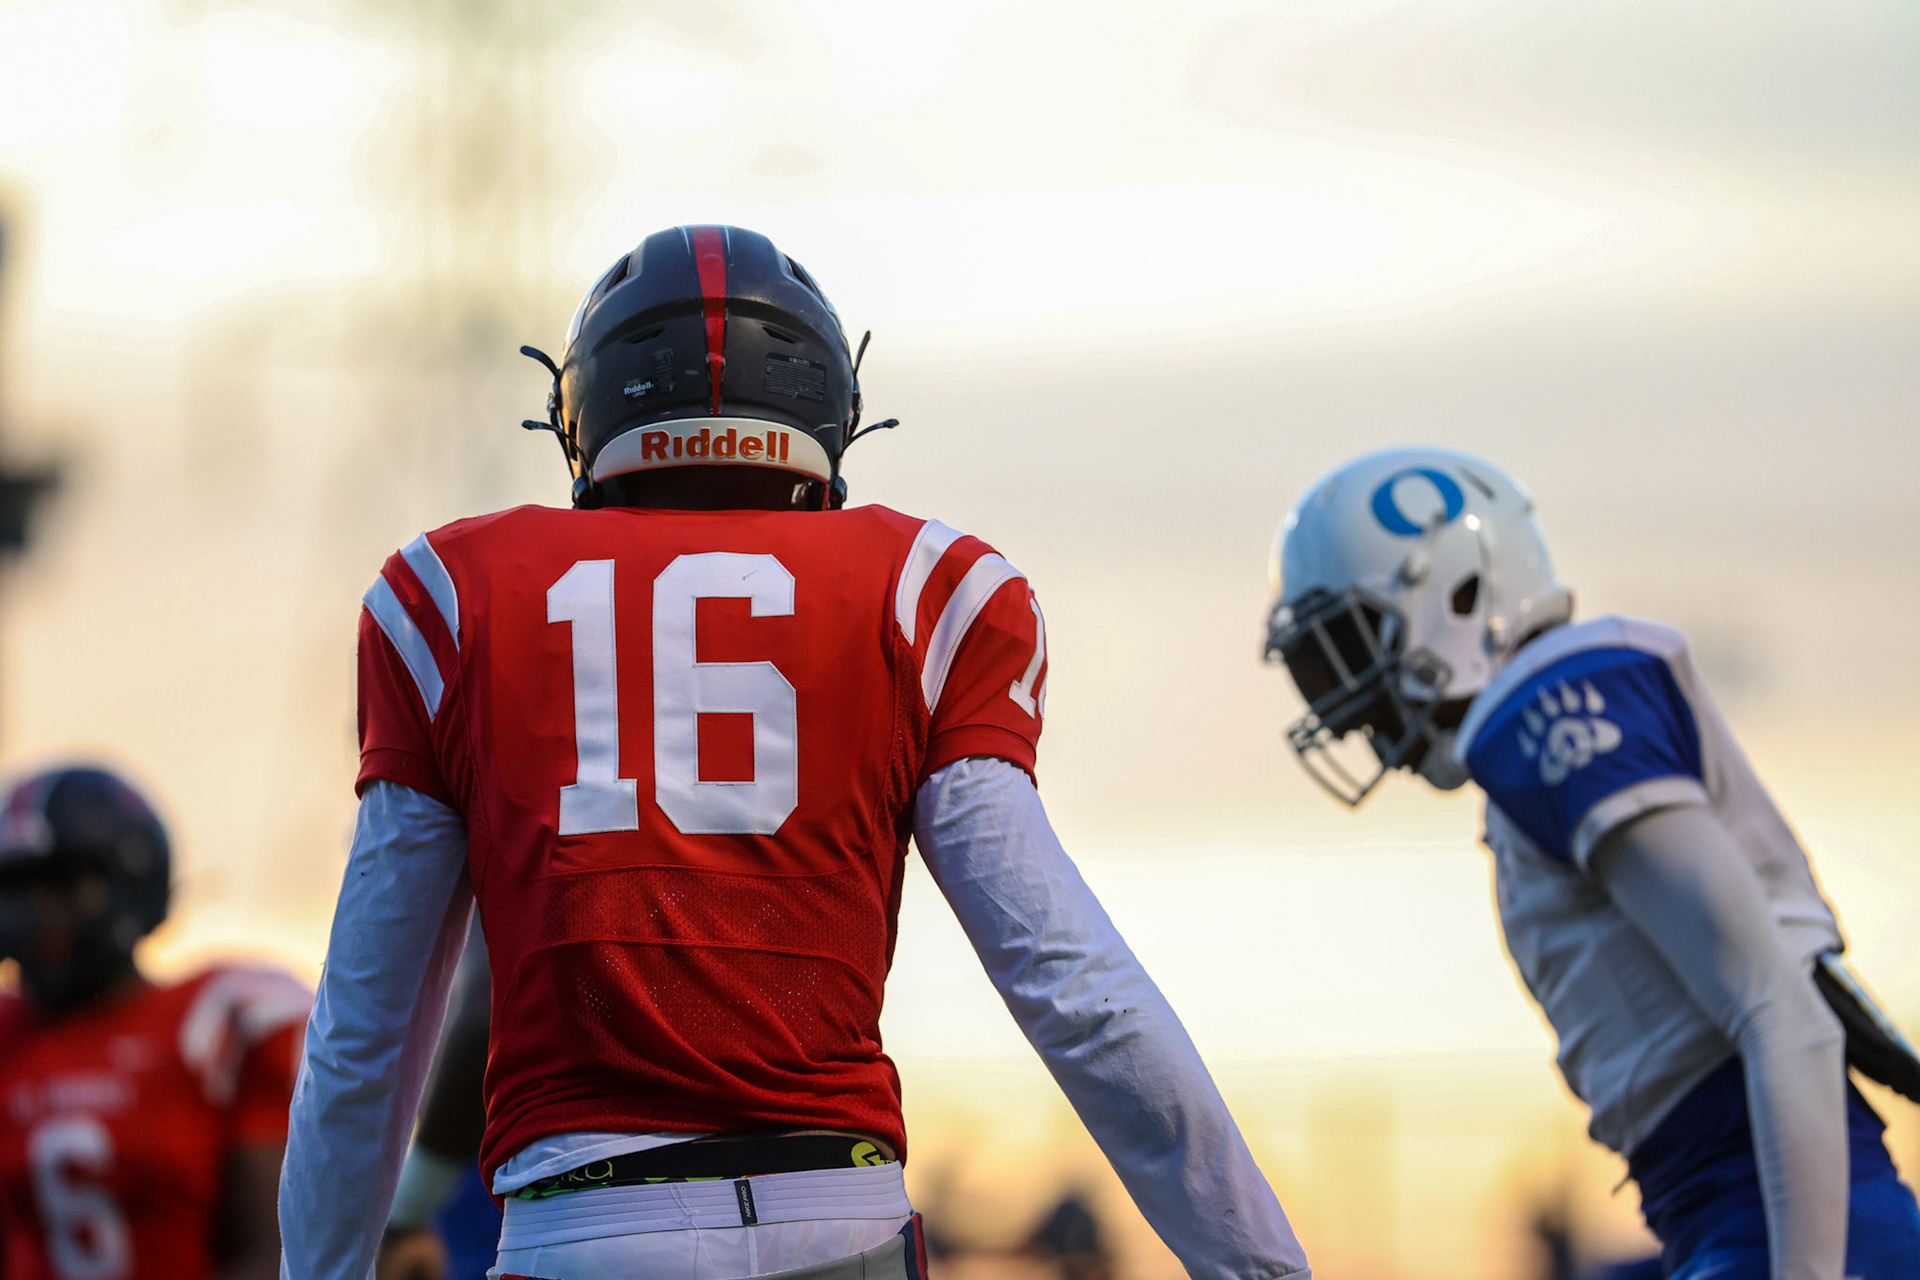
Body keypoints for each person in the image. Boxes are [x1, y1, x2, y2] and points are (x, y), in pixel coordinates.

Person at [279, 225, 1311, 1280]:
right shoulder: (931, 589)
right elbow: (1073, 985)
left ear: (587, 410)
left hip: (583, 1223)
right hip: (841, 1211)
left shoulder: (449, 594)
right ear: (825, 405)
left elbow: (369, 1031)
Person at [1261, 446, 1920, 1280]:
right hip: (1741, 1219)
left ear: (1454, 593)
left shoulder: (1547, 707)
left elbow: (1782, 1015)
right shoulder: (1524, 748)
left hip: (1786, 1227)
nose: (1344, 708)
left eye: (1348, 651)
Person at [0, 764, 311, 1279]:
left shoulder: (221, 1022)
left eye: (62, 883)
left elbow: (280, 1256)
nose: (39, 913)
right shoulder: (9, 1035)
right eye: (18, 890)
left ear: (131, 874)